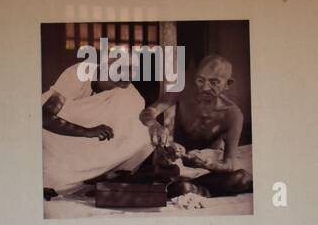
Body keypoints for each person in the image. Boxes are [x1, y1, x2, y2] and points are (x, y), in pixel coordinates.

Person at [140, 54, 251, 197]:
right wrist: (154, 125)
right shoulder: (181, 91)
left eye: (214, 82)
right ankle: (191, 189)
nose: (204, 87)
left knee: (242, 178)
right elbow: (147, 113)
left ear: (227, 84)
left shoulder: (232, 115)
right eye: (200, 80)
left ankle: (191, 188)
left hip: (204, 173)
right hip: (172, 166)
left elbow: (229, 164)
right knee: (155, 170)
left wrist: (208, 164)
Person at [41, 60, 153, 196]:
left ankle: (99, 178)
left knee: (142, 135)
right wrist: (87, 132)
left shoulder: (129, 93)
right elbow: (44, 117)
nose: (128, 75)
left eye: (133, 70)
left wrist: (158, 131)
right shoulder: (81, 73)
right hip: (52, 136)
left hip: (87, 142)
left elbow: (141, 125)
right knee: (54, 178)